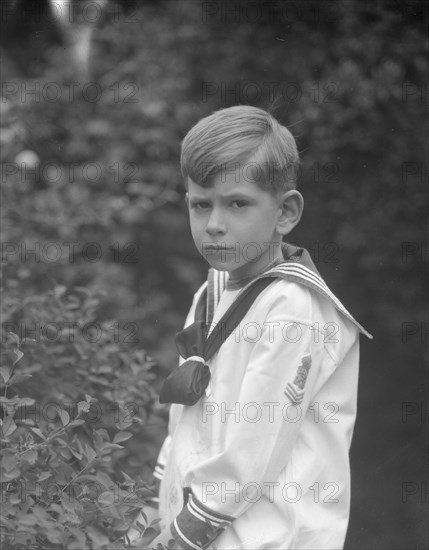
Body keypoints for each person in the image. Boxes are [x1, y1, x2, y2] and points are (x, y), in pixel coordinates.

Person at [126, 105, 372, 549]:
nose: (215, 225)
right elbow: (187, 420)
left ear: (285, 212)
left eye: (237, 204)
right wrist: (149, 514)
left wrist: (180, 539)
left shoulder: (292, 308)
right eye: (201, 205)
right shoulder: (212, 292)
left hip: (268, 538)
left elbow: (251, 451)